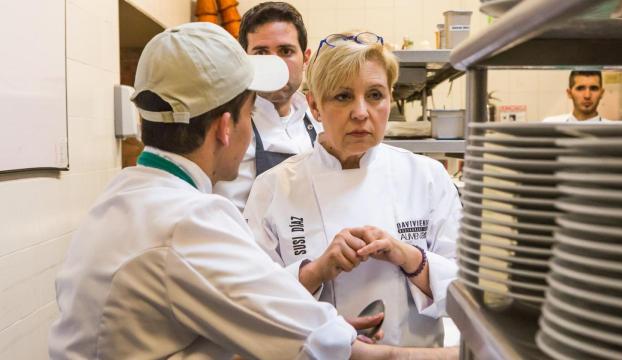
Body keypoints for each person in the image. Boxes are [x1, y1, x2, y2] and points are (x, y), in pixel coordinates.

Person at [49, 22, 405, 359]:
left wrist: (313, 325)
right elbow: (323, 347)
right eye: (251, 114)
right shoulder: (191, 221)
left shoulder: (125, 194)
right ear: (224, 129)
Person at [244, 32, 461, 349]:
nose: (361, 112)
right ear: (315, 107)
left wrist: (409, 257)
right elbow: (252, 304)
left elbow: (468, 292)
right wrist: (316, 271)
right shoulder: (274, 188)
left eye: (375, 95)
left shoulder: (427, 178)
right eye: (343, 96)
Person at [213, 2, 319, 212]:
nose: (275, 64)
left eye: (286, 51)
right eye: (261, 53)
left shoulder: (319, 119)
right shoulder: (223, 125)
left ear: (305, 59)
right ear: (245, 60)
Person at [542, 70, 608, 122]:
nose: (587, 95)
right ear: (569, 93)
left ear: (601, 93)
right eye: (580, 88)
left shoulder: (614, 131)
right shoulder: (550, 125)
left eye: (593, 88)